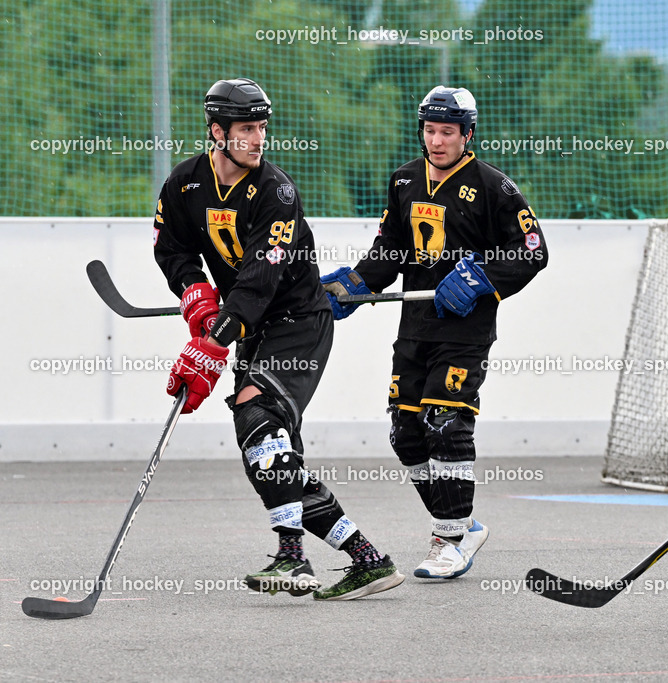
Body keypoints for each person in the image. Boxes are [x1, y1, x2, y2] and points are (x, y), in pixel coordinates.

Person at [153, 78, 403, 601]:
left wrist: (212, 341)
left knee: (257, 417)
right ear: (216, 131)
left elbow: (258, 282)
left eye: (262, 128)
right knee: (265, 451)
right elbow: (170, 248)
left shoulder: (276, 192)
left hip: (297, 322)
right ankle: (364, 558)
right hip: (254, 328)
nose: (258, 138)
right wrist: (194, 291)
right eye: (246, 128)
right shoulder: (183, 185)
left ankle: (293, 558)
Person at [321, 85, 548, 579]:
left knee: (445, 422)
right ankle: (462, 525)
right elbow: (390, 249)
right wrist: (356, 284)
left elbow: (532, 251)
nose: (438, 141)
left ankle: (448, 538)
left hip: (465, 334)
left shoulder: (495, 188)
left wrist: (480, 276)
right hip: (414, 331)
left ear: (468, 134)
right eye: (430, 130)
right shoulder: (403, 180)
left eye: (448, 132)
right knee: (407, 435)